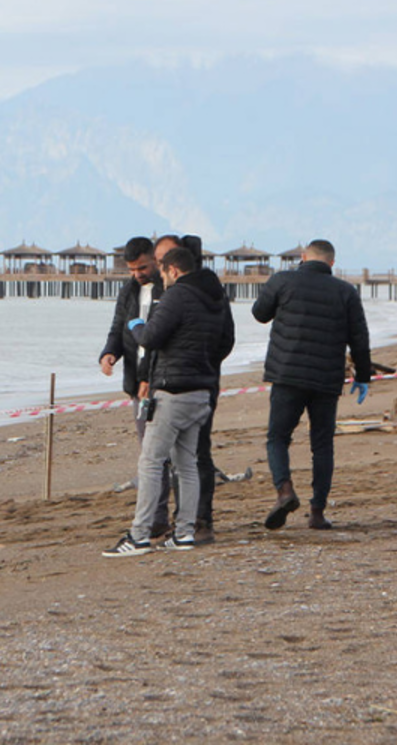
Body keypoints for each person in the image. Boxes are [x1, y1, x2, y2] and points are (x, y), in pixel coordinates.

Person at [103, 246, 234, 556]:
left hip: (173, 390)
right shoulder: (215, 296)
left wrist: (135, 326)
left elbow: (151, 338)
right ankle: (185, 533)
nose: (163, 278)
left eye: (164, 272)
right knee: (186, 463)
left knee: (151, 461)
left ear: (173, 270)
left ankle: (138, 536)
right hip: (202, 388)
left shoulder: (178, 295)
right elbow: (226, 340)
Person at [253, 239, 371, 530]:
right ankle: (317, 512)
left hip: (287, 374)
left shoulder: (283, 281)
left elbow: (259, 313)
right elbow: (360, 337)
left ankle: (285, 490)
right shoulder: (346, 291)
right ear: (332, 263)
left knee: (278, 438)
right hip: (326, 378)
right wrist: (364, 376)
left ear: (303, 258)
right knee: (322, 445)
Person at [154, 233, 233, 544]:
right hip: (193, 379)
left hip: (192, 382)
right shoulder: (205, 290)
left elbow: (225, 338)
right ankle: (186, 520)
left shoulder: (197, 292)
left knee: (192, 454)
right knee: (183, 455)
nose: (160, 268)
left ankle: (198, 520)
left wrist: (200, 361)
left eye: (163, 262)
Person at [99, 237, 176, 534]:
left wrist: (150, 376)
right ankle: (157, 518)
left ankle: (173, 517)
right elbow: (118, 328)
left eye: (142, 267)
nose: (138, 274)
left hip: (163, 379)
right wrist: (109, 354)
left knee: (167, 454)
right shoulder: (128, 291)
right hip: (137, 384)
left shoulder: (168, 289)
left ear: (155, 261)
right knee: (149, 453)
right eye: (132, 269)